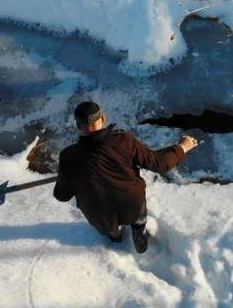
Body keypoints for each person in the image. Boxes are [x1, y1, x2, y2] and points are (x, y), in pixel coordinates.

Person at [53, 101, 198, 253]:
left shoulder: (68, 156)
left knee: (108, 225)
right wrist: (181, 148)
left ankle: (115, 236)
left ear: (78, 126)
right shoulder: (123, 140)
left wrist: (68, 174)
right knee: (138, 217)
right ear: (103, 117)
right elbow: (160, 163)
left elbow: (62, 195)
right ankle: (140, 238)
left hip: (99, 214)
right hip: (132, 204)